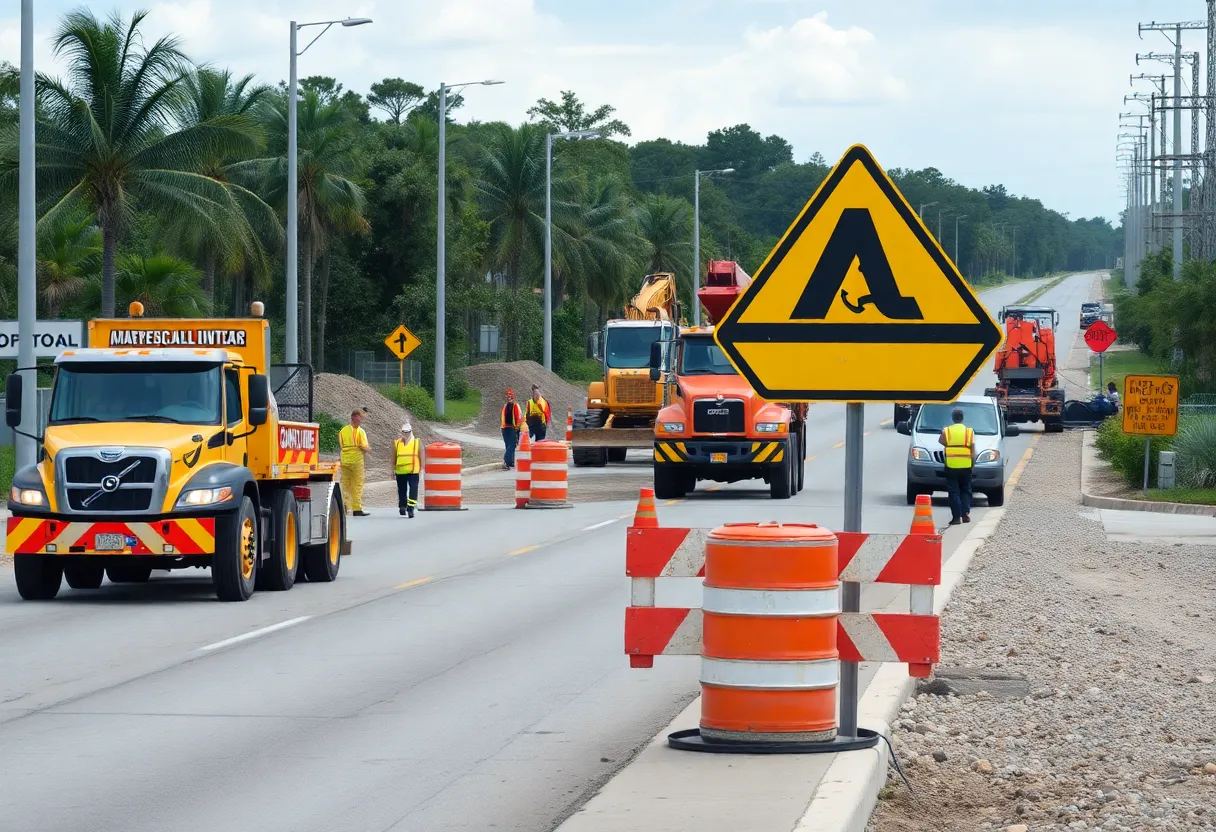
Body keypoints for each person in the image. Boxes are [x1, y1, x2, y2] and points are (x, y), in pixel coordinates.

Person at [938, 408, 976, 526]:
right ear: (962, 418)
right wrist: (972, 464)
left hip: (951, 465)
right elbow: (972, 450)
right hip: (966, 465)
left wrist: (944, 433)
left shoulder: (947, 431)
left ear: (953, 418)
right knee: (966, 489)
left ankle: (956, 517)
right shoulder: (969, 431)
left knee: (954, 491)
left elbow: (941, 441)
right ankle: (965, 514)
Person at [339, 408, 371, 517]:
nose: (361, 420)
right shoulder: (360, 431)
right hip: (356, 461)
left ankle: (344, 507)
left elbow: (342, 445)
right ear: (354, 417)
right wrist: (368, 450)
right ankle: (357, 509)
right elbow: (363, 446)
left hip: (345, 460)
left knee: (345, 484)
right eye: (360, 417)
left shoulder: (343, 431)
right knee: (357, 485)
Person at [392, 422, 421, 518]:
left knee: (413, 489)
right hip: (400, 471)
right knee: (402, 490)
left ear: (411, 432)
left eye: (407, 432)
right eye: (404, 432)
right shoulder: (397, 443)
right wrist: (392, 470)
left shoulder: (417, 442)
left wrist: (422, 468)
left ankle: (411, 508)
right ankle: (402, 506)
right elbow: (393, 458)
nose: (406, 434)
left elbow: (421, 456)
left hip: (413, 470)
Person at [500, 389, 523, 469]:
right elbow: (519, 418)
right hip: (509, 428)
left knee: (509, 445)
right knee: (511, 445)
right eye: (508, 396)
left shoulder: (509, 406)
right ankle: (507, 461)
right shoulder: (510, 406)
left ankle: (510, 461)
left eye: (510, 396)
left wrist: (517, 427)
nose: (509, 397)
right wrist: (517, 428)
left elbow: (518, 418)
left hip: (507, 428)